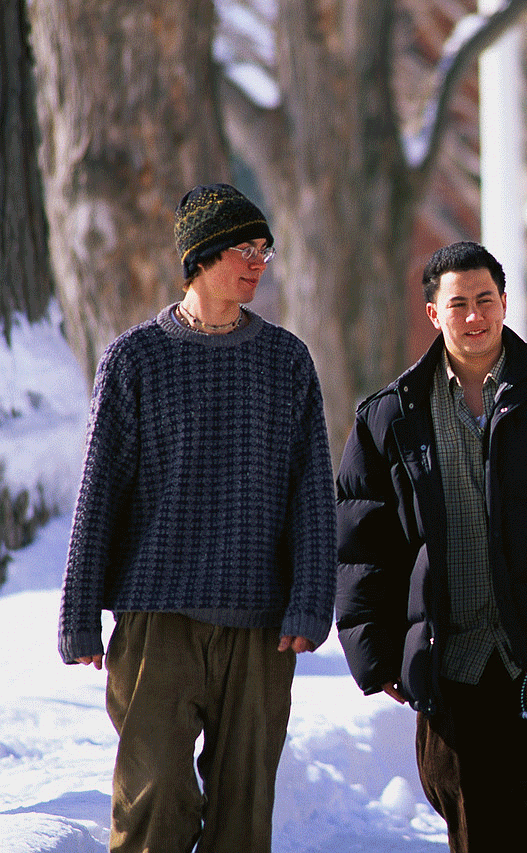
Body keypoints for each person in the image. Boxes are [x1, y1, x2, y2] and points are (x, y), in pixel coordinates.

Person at [334, 240, 527, 852]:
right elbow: (366, 544)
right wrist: (375, 653)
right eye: (458, 304)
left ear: (505, 302)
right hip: (453, 669)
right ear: (433, 314)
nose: (474, 316)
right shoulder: (391, 416)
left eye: (485, 300)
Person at [58, 182, 337, 853]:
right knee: (154, 803)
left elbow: (311, 497)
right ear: (202, 255)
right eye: (245, 247)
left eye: (265, 249)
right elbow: (101, 493)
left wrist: (310, 604)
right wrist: (79, 614)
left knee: (244, 815)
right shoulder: (134, 359)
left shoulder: (286, 360)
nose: (258, 261)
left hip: (260, 627)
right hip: (156, 623)